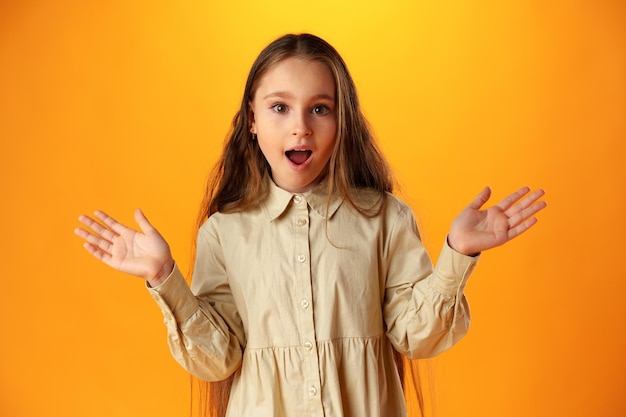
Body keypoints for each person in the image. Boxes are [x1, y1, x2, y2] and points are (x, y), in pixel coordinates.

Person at [74, 33, 546, 417]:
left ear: (343, 122)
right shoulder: (224, 230)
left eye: (320, 108)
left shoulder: (384, 218)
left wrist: (457, 253)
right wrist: (164, 277)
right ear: (252, 121)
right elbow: (216, 359)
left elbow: (417, 337)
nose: (301, 127)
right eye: (280, 108)